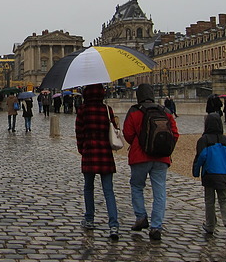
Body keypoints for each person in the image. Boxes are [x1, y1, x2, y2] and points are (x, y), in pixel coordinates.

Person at [122, 83, 179, 241]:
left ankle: (141, 216)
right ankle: (156, 226)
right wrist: (165, 148)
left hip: (139, 157)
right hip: (161, 158)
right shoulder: (165, 111)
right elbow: (175, 133)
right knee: (159, 192)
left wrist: (138, 143)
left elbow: (127, 134)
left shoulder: (134, 112)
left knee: (137, 186)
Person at [75, 84, 120, 240]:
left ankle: (89, 219)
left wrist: (83, 149)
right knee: (109, 191)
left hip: (89, 153)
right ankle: (114, 225)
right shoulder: (107, 110)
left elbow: (79, 133)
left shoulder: (82, 110)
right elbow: (114, 130)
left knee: (88, 188)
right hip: (105, 154)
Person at [193, 113, 226, 241]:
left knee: (210, 200)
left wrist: (196, 171)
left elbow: (201, 157)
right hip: (224, 173)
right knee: (224, 198)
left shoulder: (204, 140)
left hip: (209, 173)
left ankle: (210, 225)